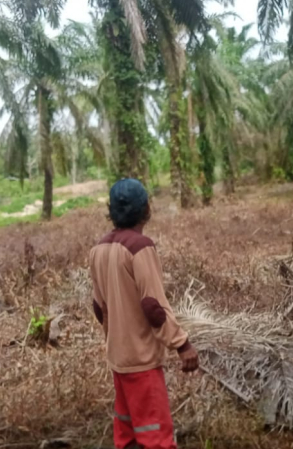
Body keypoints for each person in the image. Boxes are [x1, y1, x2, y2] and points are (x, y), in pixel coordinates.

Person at [90, 178, 199, 449]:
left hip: (118, 359)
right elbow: (152, 306)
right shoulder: (140, 247)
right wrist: (182, 344)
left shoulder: (98, 249)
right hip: (142, 363)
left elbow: (98, 307)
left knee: (127, 437)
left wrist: (117, 338)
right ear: (146, 208)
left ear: (111, 210)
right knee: (156, 439)